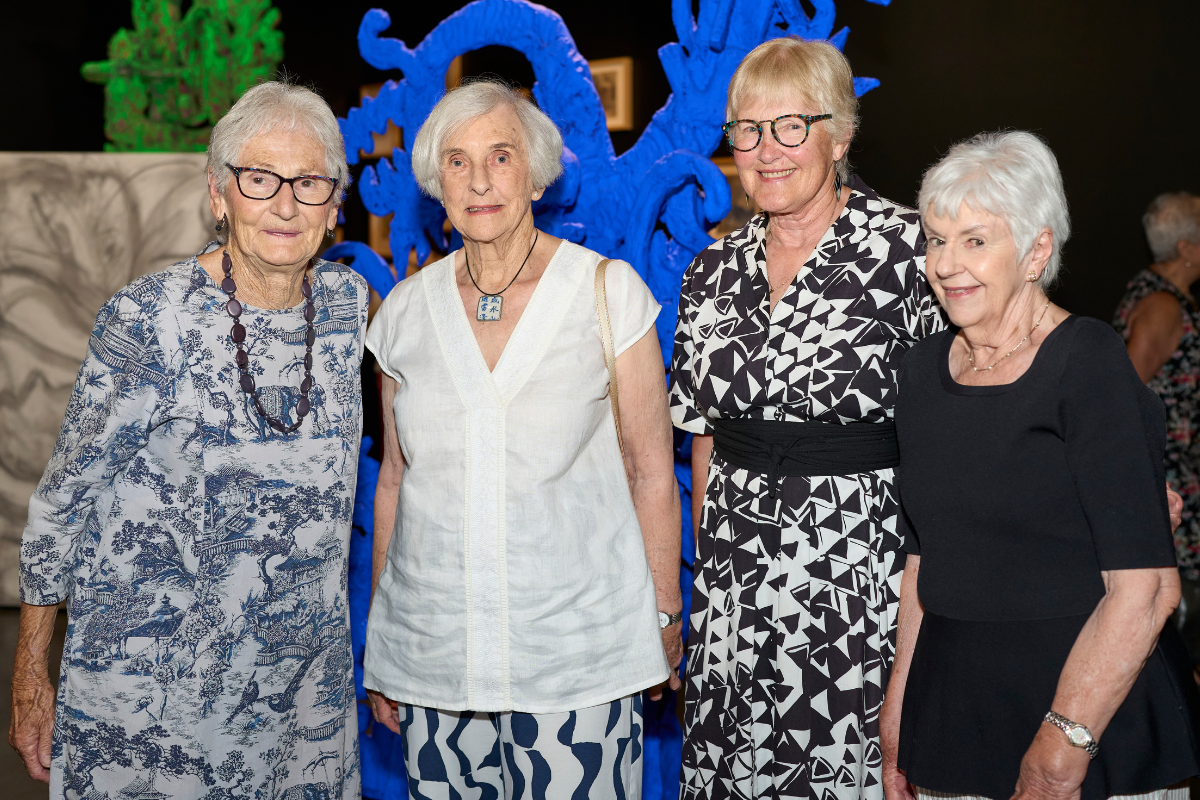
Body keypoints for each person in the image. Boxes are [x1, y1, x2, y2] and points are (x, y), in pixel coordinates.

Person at [10, 81, 369, 800]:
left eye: (310, 183)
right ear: (218, 193)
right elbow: (62, 502)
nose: (286, 204)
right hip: (151, 702)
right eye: (261, 178)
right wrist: (29, 671)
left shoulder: (347, 308)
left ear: (335, 206)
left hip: (303, 702)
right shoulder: (150, 319)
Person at [361, 80, 683, 799]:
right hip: (438, 660)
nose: (479, 180)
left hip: (577, 659)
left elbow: (652, 474)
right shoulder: (404, 314)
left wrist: (662, 618)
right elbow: (393, 483)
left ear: (535, 174)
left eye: (500, 156)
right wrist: (386, 646)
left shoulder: (608, 292)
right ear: (433, 184)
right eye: (457, 161)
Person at [881, 132, 1200, 800]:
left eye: (975, 240)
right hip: (952, 726)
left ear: (1036, 251)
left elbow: (1145, 591)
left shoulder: (1086, 365)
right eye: (936, 240)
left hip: (1088, 726)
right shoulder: (918, 372)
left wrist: (1060, 748)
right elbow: (922, 566)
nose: (946, 263)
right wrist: (897, 721)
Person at [670, 37, 944, 798]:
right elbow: (702, 437)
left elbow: (963, 413)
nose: (767, 151)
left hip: (857, 577)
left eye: (792, 126)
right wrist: (710, 574)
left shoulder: (909, 252)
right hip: (732, 585)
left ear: (841, 134)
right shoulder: (711, 271)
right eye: (748, 130)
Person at [1113, 192, 1200, 671]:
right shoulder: (1164, 306)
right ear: (1186, 247)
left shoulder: (1160, 293)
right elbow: (1122, 396)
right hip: (1166, 481)